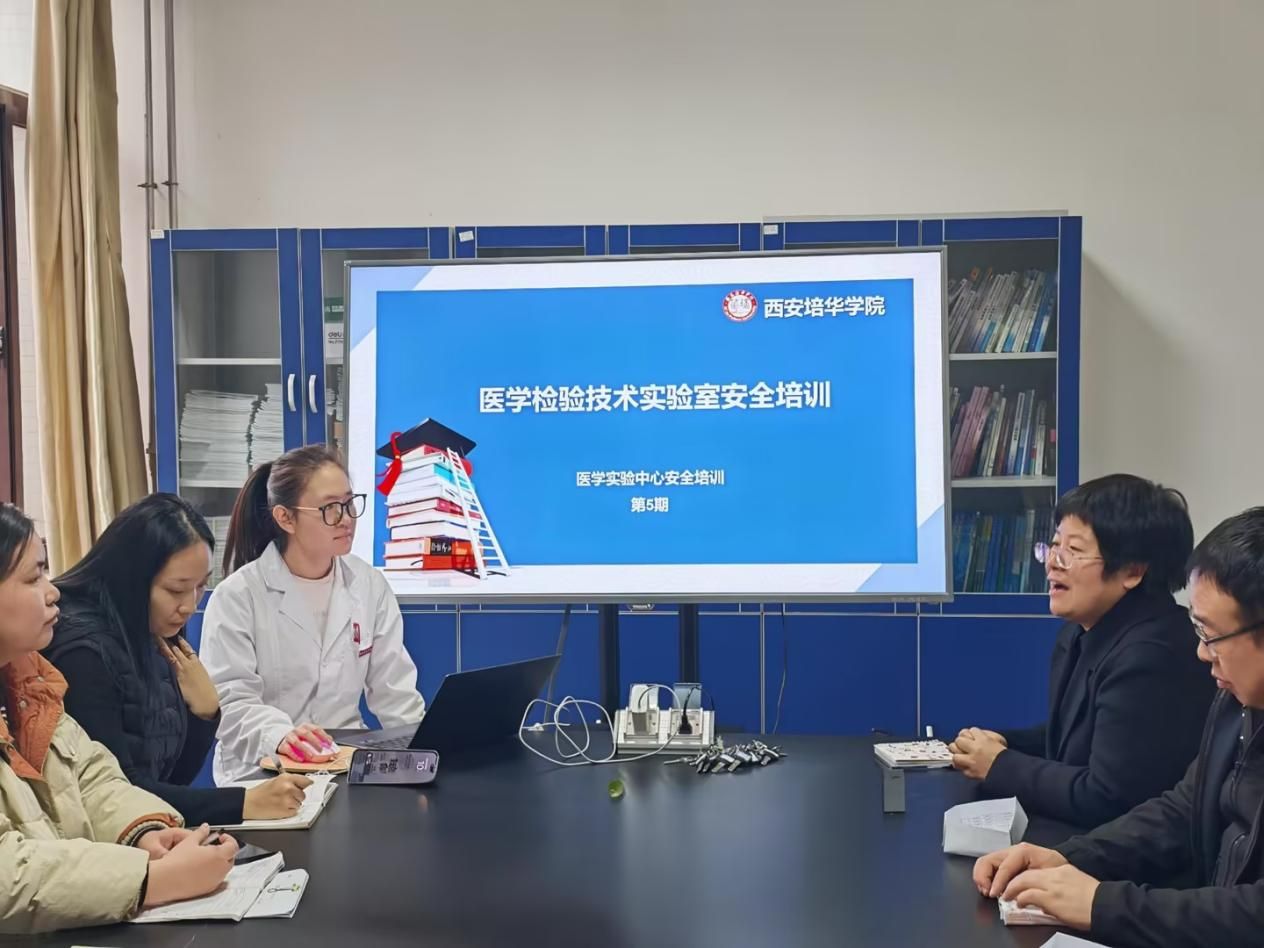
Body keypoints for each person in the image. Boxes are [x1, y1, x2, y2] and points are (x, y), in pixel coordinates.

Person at [974, 507, 1264, 948]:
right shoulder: (1236, 701)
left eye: (1210, 635)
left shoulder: (1156, 653)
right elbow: (1184, 808)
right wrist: (1068, 859)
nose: (1202, 654)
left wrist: (1102, 904)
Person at [0, 502, 239, 933]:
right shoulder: (81, 649)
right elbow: (9, 874)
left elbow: (92, 776)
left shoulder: (30, 679)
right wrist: (150, 878)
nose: (53, 592)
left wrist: (144, 830)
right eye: (33, 578)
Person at [949, 474, 1214, 829]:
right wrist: (1001, 743)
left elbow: (1107, 796)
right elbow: (1075, 737)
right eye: (1053, 546)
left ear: (1133, 570)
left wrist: (1000, 765)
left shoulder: (1154, 656)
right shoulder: (1083, 630)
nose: (1052, 563)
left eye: (1072, 551)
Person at [43, 493, 311, 826]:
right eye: (176, 589)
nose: (190, 605)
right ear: (132, 578)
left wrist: (204, 714)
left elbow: (172, 780)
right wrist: (244, 802)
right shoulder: (83, 654)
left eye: (200, 586)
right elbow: (117, 796)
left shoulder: (152, 630)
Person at [201, 445, 425, 784]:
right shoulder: (238, 596)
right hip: (263, 770)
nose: (346, 519)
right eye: (330, 508)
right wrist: (280, 736)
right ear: (285, 518)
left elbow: (394, 691)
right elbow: (230, 701)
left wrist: (427, 749)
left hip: (344, 762)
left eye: (349, 503)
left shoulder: (369, 585)